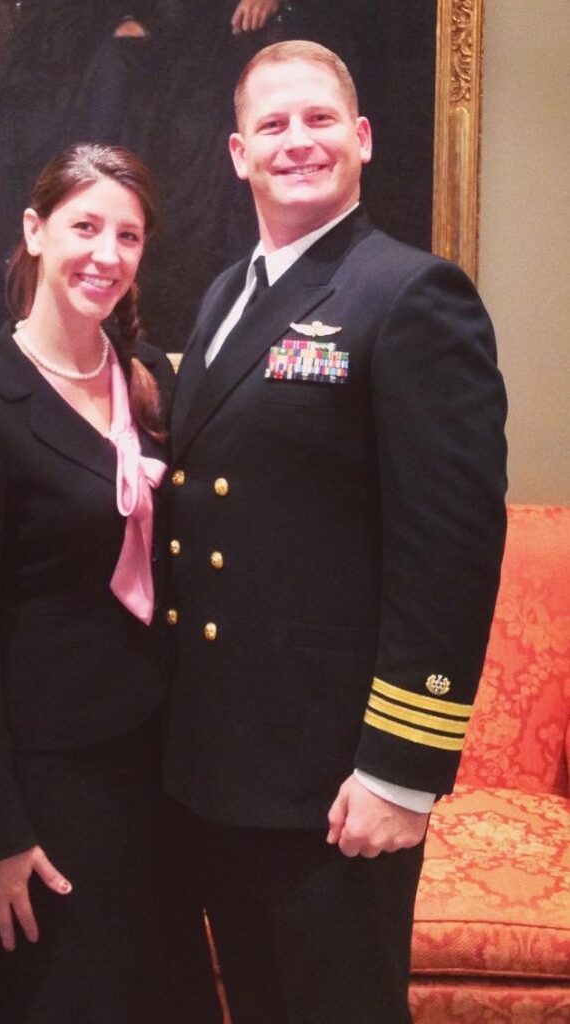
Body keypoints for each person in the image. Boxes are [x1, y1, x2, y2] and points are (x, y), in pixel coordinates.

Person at [163, 41, 508, 1024]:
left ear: (360, 140)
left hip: (332, 775)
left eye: (317, 119)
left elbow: (447, 552)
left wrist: (399, 770)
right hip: (219, 763)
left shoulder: (409, 294)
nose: (295, 141)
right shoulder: (225, 296)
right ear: (237, 153)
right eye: (270, 125)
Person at [0, 142, 219, 1024]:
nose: (106, 254)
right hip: (48, 791)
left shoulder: (146, 379)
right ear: (34, 231)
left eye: (127, 236)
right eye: (85, 226)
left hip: (155, 776)